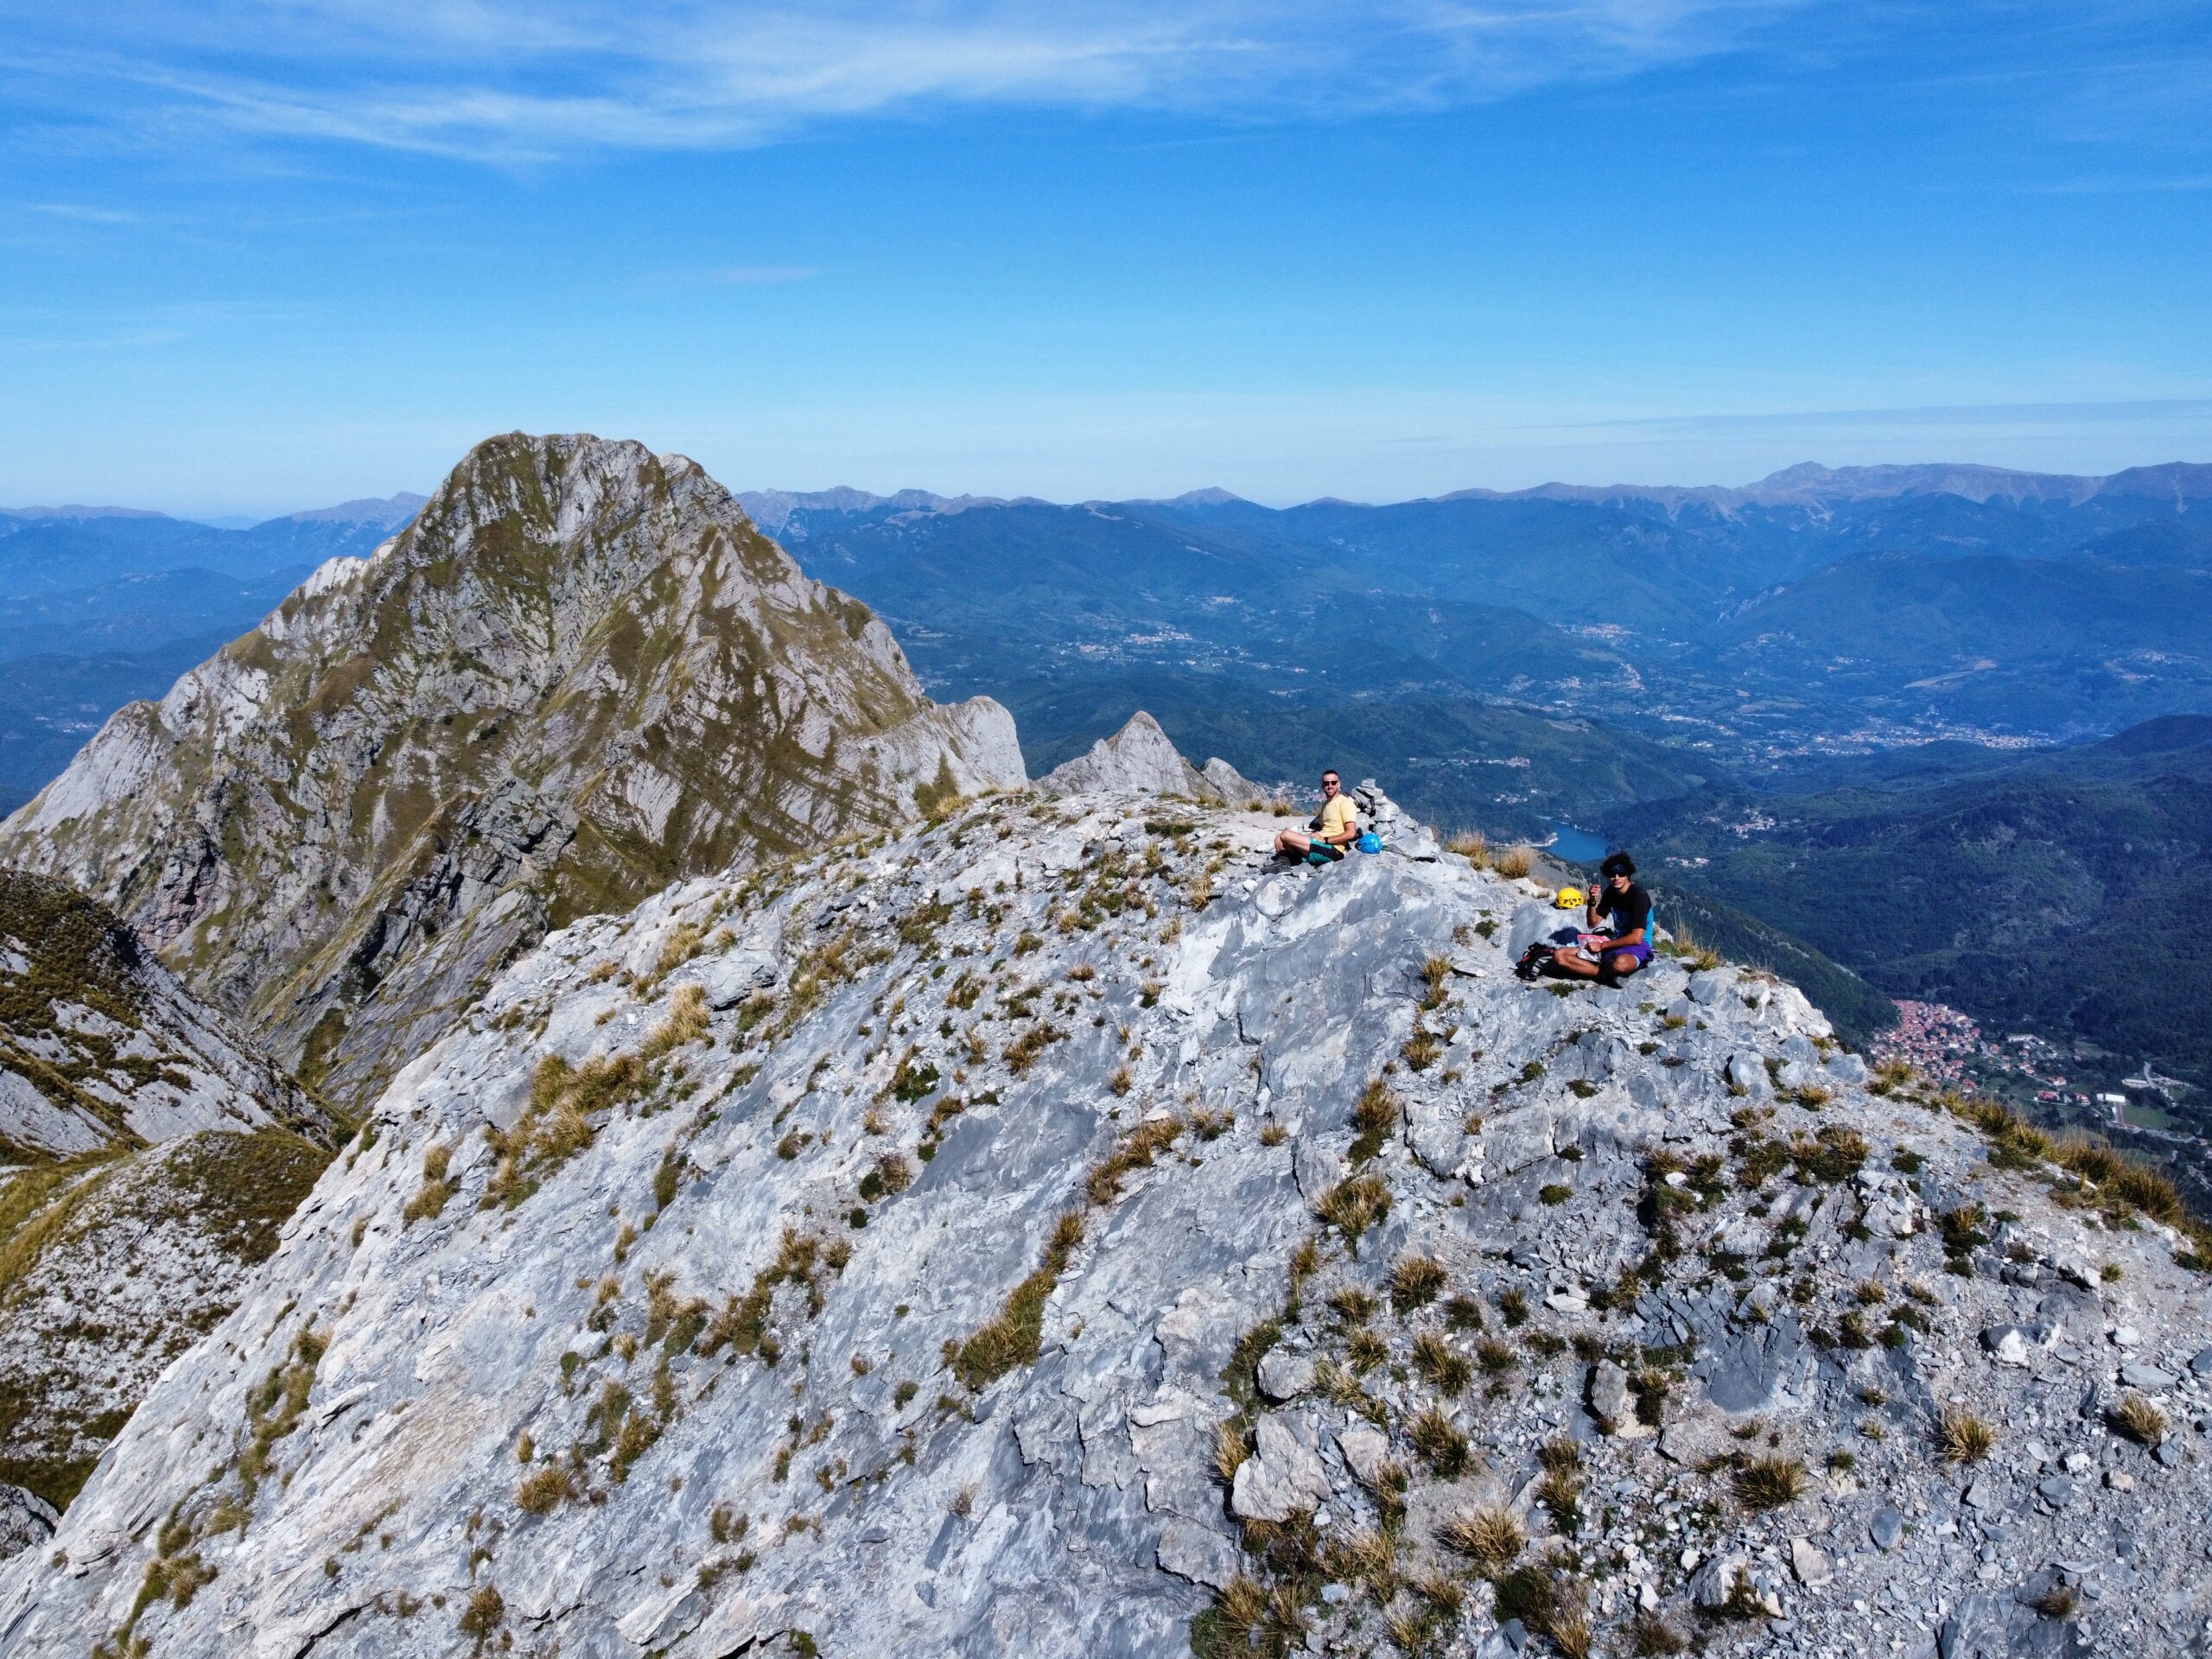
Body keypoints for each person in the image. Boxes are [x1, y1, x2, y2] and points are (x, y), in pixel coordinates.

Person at [1546, 852, 1653, 982]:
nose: (1616, 878)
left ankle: (1600, 968)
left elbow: (1636, 938)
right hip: (1614, 942)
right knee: (1559, 955)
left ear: (1628, 875)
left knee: (1620, 964)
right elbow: (1593, 923)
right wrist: (1592, 901)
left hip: (1638, 946)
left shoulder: (1639, 897)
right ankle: (1602, 974)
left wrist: (1602, 946)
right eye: (1612, 874)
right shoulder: (1610, 892)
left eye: (1621, 874)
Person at [1274, 771, 1358, 864]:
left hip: (1333, 850)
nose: (1330, 786)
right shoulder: (1325, 805)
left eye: (1333, 783)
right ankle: (1286, 863)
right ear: (1322, 786)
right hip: (1320, 844)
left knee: (1286, 834)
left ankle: (1288, 860)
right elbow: (1323, 830)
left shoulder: (1345, 803)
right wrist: (1306, 837)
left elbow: (1351, 833)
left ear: (1338, 784)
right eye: (1326, 783)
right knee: (1279, 839)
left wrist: (1326, 840)